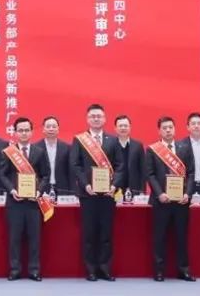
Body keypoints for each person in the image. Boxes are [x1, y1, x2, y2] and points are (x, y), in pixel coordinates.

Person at [70, 104, 125, 281]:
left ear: (104, 119)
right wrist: (85, 184)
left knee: (106, 233)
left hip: (108, 195)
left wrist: (114, 186)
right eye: (93, 116)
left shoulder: (113, 140)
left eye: (99, 116)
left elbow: (120, 166)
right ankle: (91, 269)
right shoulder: (80, 140)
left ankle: (105, 268)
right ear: (87, 119)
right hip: (88, 194)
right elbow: (75, 165)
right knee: (89, 233)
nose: (96, 119)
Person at [144, 117, 196, 282]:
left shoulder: (185, 148)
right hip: (161, 201)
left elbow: (191, 173)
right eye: (164, 128)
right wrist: (159, 193)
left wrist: (188, 193)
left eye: (170, 127)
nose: (168, 130)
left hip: (181, 201)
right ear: (159, 130)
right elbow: (150, 174)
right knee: (160, 237)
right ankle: (159, 271)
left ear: (175, 129)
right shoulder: (153, 150)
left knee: (181, 237)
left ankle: (184, 270)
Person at [0, 117, 50, 281]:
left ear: (31, 132)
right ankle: (15, 270)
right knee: (14, 238)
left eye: (26, 130)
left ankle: (34, 270)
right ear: (15, 133)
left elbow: (45, 175)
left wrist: (39, 191)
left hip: (34, 203)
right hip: (15, 202)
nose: (23, 133)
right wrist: (12, 190)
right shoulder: (8, 152)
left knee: (34, 238)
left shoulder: (39, 152)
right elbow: (2, 175)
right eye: (20, 130)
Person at [33, 116, 73, 195]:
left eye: (54, 127)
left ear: (58, 129)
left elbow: (71, 171)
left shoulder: (67, 147)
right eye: (48, 127)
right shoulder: (35, 148)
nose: (51, 129)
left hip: (63, 189)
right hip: (41, 189)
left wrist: (73, 191)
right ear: (43, 129)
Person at [114, 115, 146, 194]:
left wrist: (142, 190)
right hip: (114, 188)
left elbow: (143, 170)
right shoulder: (110, 144)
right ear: (115, 128)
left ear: (130, 127)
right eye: (120, 126)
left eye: (125, 126)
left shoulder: (138, 146)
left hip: (134, 188)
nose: (123, 128)